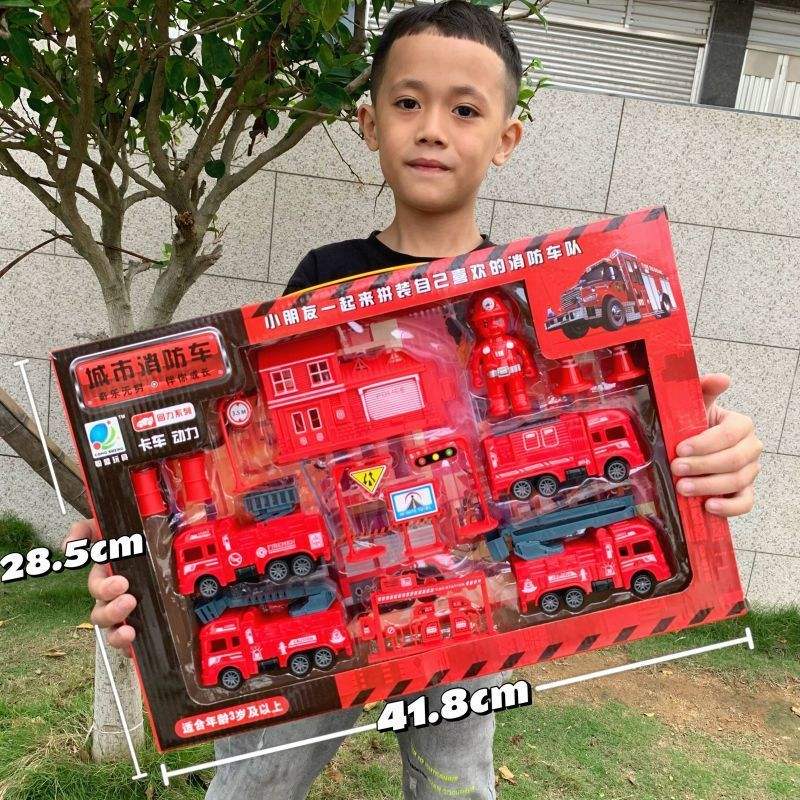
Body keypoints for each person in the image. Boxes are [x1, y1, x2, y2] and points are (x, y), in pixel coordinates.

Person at [63, 2, 764, 798]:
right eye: (407, 101)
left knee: (453, 776)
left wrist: (707, 451)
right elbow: (248, 438)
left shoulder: (535, 292)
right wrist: (134, 543)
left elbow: (635, 428)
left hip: (467, 606)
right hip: (323, 599)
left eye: (465, 109)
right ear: (369, 123)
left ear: (505, 139)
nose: (432, 129)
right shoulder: (319, 279)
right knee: (260, 774)